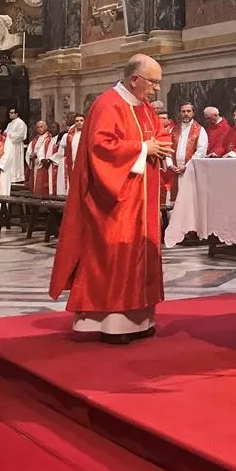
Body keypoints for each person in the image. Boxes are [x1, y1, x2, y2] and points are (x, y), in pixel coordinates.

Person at [49, 54, 173, 344]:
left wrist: (158, 145)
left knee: (141, 253)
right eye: (153, 82)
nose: (157, 89)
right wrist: (143, 148)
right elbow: (101, 148)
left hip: (142, 200)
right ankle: (110, 322)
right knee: (114, 255)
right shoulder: (108, 104)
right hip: (114, 201)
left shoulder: (144, 108)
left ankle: (140, 318)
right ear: (134, 79)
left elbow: (160, 135)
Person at [169, 103, 207, 201]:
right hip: (175, 169)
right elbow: (167, 147)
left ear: (193, 113)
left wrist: (186, 166)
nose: (186, 113)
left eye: (188, 111)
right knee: (176, 200)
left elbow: (201, 151)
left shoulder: (199, 129)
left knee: (189, 200)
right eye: (183, 111)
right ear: (180, 113)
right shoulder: (174, 129)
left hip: (190, 169)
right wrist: (170, 164)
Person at [56, 113, 85, 196]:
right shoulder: (69, 136)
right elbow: (62, 151)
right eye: (77, 121)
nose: (79, 122)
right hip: (72, 163)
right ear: (74, 123)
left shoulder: (88, 135)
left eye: (81, 121)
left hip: (84, 163)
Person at [25, 120, 52, 194]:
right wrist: (30, 155)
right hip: (34, 164)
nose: (39, 129)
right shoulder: (35, 138)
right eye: (38, 127)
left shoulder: (49, 138)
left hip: (43, 165)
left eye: (41, 127)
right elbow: (29, 149)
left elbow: (46, 150)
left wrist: (37, 154)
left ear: (46, 127)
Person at [4, 107, 28, 183]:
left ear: (16, 114)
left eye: (11, 113)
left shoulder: (21, 123)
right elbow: (5, 133)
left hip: (16, 146)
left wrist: (8, 135)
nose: (10, 114)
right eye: (9, 112)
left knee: (15, 163)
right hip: (9, 145)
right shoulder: (10, 124)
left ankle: (16, 178)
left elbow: (20, 136)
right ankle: (10, 178)